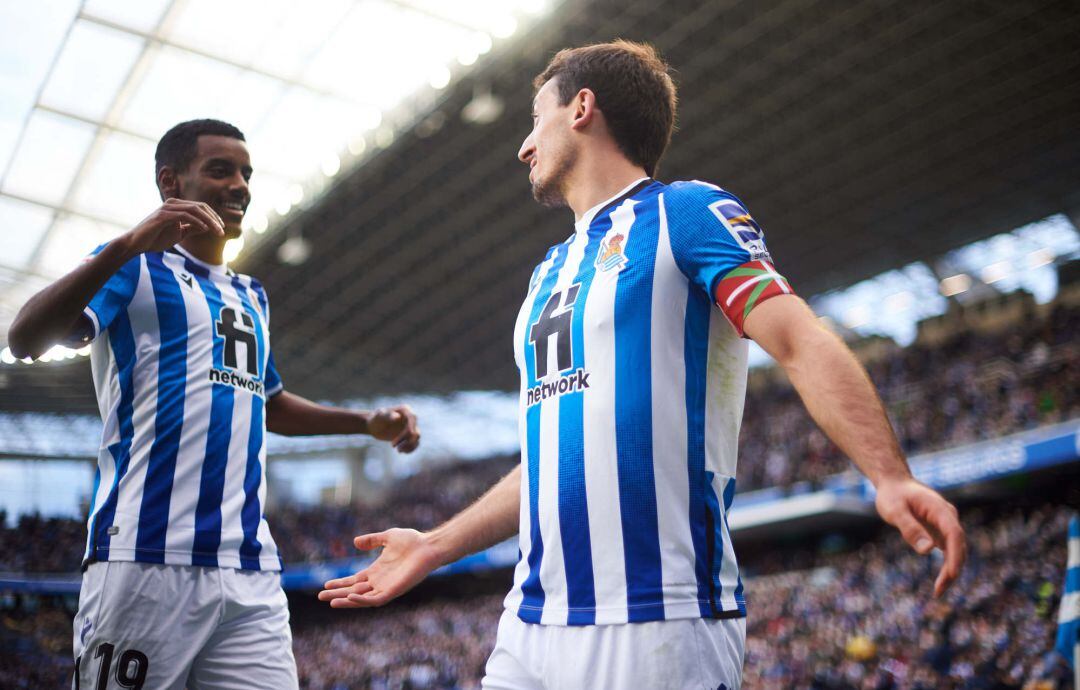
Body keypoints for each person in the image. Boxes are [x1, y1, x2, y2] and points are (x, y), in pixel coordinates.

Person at [318, 41, 966, 689]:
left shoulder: (684, 213)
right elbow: (546, 461)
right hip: (531, 622)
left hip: (658, 620)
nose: (523, 146)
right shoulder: (547, 273)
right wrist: (434, 545)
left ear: (581, 108)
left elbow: (798, 339)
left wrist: (888, 475)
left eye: (534, 119)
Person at [7, 118, 421, 690]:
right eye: (220, 169)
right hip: (147, 558)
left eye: (246, 173)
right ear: (170, 182)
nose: (241, 185)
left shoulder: (251, 296)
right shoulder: (133, 267)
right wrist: (127, 243)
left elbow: (267, 402)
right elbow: (25, 339)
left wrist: (365, 423)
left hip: (250, 568)